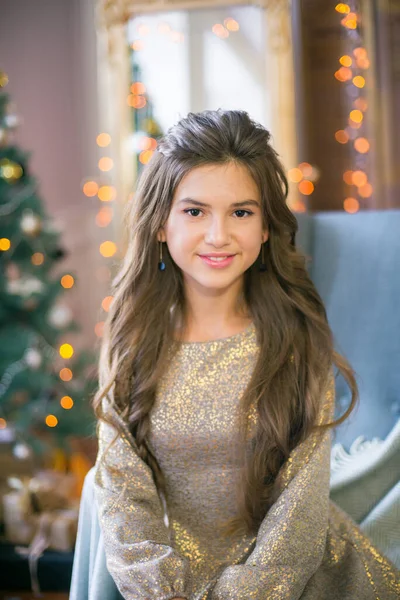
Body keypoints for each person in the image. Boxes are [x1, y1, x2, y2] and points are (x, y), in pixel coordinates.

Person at [91, 109, 400, 599]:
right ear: (161, 226)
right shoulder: (132, 340)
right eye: (195, 211)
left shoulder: (295, 340)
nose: (219, 235)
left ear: (263, 228)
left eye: (241, 212)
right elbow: (122, 494)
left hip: (297, 582)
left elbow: (298, 511)